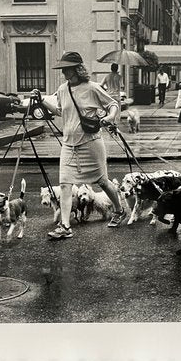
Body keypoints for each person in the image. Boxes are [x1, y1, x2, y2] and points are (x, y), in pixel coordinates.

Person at [37, 51, 127, 239]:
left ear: (77, 69)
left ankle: (119, 210)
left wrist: (109, 117)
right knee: (65, 184)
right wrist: (42, 101)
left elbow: (113, 105)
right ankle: (65, 226)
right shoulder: (63, 89)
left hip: (91, 143)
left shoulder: (92, 88)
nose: (64, 73)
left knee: (102, 181)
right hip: (69, 145)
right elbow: (60, 111)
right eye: (63, 70)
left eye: (67, 69)